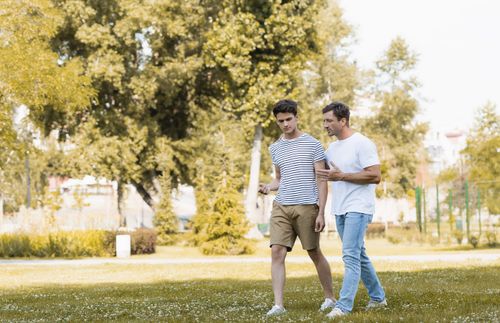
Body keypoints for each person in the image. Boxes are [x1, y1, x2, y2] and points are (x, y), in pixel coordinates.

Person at [259, 99, 335, 316]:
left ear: (296, 118)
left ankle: (330, 297)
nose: (285, 124)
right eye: (280, 121)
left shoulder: (313, 145)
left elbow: (322, 181)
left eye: (288, 119)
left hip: (307, 206)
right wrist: (268, 187)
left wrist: (321, 211)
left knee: (314, 252)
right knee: (276, 252)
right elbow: (279, 179)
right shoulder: (275, 147)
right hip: (282, 205)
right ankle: (278, 305)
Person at [316, 101, 387, 318]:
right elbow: (323, 175)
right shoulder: (331, 148)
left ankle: (344, 306)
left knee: (350, 256)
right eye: (324, 120)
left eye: (329, 120)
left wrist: (342, 175)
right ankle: (378, 298)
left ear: (343, 120)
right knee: (359, 254)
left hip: (359, 207)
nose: (325, 125)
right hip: (340, 209)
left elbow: (375, 175)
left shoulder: (362, 143)